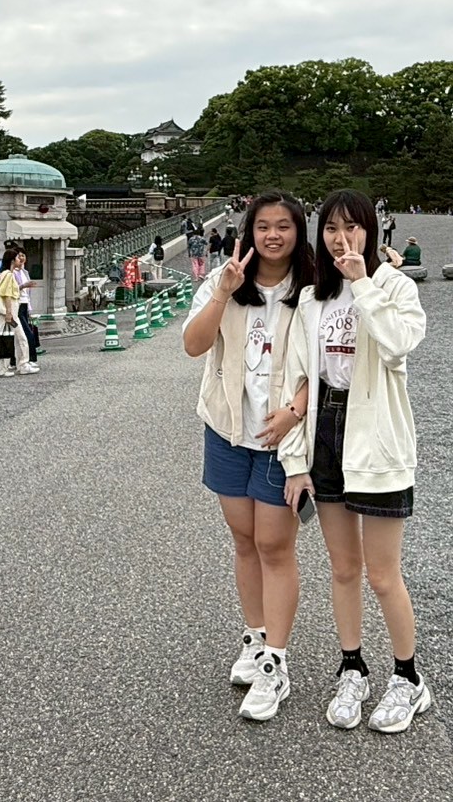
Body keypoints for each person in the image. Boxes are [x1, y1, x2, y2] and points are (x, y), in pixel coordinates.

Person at [280, 189, 431, 734]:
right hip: (325, 429)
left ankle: (408, 678)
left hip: (377, 435)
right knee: (343, 568)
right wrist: (294, 460)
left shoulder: (396, 286)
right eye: (331, 229)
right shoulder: (311, 298)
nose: (342, 239)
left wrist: (363, 283)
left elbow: (397, 346)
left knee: (383, 574)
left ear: (371, 230)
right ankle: (352, 668)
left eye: (353, 228)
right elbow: (296, 379)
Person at [182, 190, 314, 723]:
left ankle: (275, 662)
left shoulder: (314, 288)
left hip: (285, 438)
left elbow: (331, 364)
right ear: (249, 232)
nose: (273, 235)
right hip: (227, 429)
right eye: (263, 226)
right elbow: (194, 345)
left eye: (283, 226)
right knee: (243, 540)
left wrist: (295, 413)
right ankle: (255, 637)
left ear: (298, 232)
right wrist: (223, 291)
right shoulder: (226, 280)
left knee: (274, 545)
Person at [0, 247, 22, 377]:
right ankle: (0, 369)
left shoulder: (5, 274)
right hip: (8, 313)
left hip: (8, 313)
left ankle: (4, 368)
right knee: (7, 339)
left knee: (8, 338)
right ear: (12, 260)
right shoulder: (8, 275)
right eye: (17, 257)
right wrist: (8, 313)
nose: (20, 259)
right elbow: (7, 295)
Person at [10, 250, 40, 374]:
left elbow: (27, 294)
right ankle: (22, 361)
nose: (21, 258)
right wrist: (23, 286)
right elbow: (11, 290)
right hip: (16, 306)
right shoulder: (10, 273)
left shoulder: (25, 272)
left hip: (24, 305)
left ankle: (23, 361)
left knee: (24, 335)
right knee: (23, 335)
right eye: (19, 256)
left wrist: (29, 308)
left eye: (23, 255)